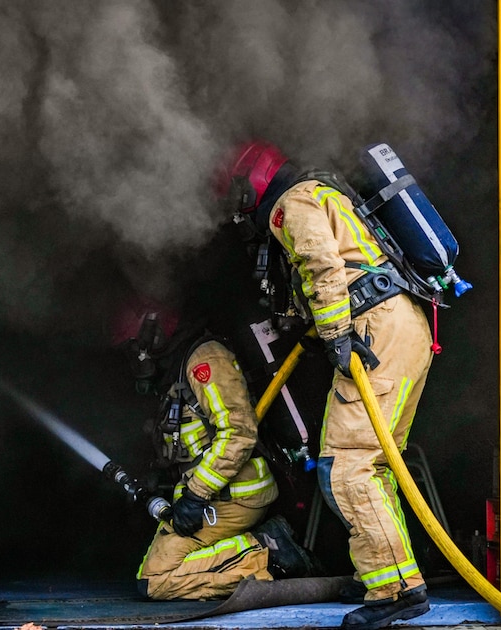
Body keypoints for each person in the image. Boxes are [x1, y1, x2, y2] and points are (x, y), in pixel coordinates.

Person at [215, 140, 433, 630]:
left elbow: (323, 267)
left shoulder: (292, 201)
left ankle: (397, 589)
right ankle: (383, 571)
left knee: (347, 466)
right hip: (402, 328)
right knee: (373, 465)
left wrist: (335, 334)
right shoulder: (327, 192)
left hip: (374, 330)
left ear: (252, 181)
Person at [110, 302, 312, 601]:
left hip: (237, 496)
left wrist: (195, 496)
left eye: (133, 345)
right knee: (155, 575)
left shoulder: (206, 359)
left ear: (153, 331)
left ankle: (269, 552)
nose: (136, 356)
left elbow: (238, 432)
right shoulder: (175, 372)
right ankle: (257, 553)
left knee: (156, 580)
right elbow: (188, 443)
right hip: (210, 498)